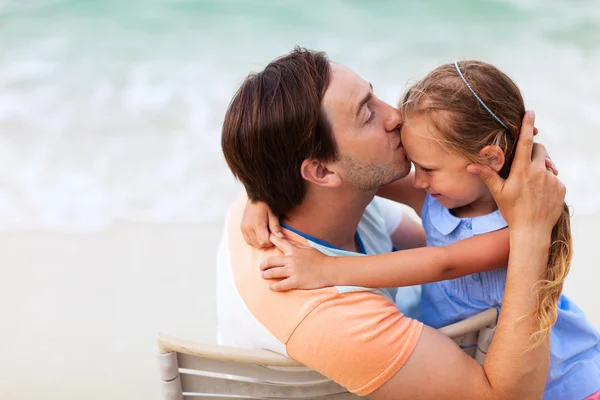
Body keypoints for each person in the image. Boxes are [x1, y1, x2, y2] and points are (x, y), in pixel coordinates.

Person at [218, 47, 564, 399]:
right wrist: (531, 232)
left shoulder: (330, 203)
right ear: (321, 171)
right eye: (367, 114)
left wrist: (255, 193)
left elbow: (440, 252)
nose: (396, 116)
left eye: (374, 95)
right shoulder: (333, 314)